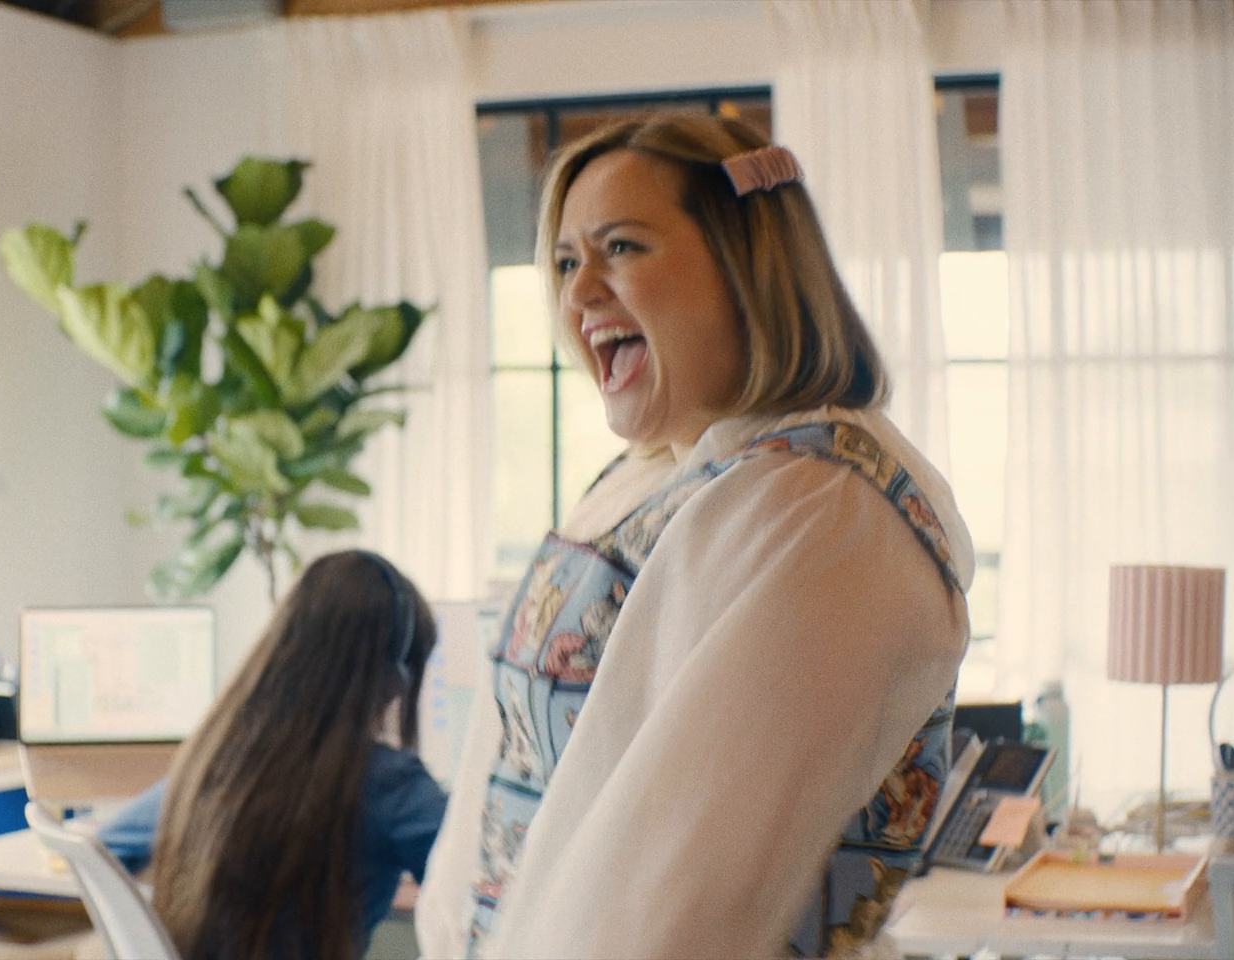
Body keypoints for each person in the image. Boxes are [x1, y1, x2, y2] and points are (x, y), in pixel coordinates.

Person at [415, 112, 972, 959]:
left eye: (621, 248)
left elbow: (674, 898)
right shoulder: (645, 477)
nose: (578, 293)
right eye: (565, 262)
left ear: (748, 263)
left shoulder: (820, 507)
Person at [97, 549, 448, 960]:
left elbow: (106, 848)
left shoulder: (218, 758)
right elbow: (485, 885)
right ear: (394, 678)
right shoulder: (388, 781)